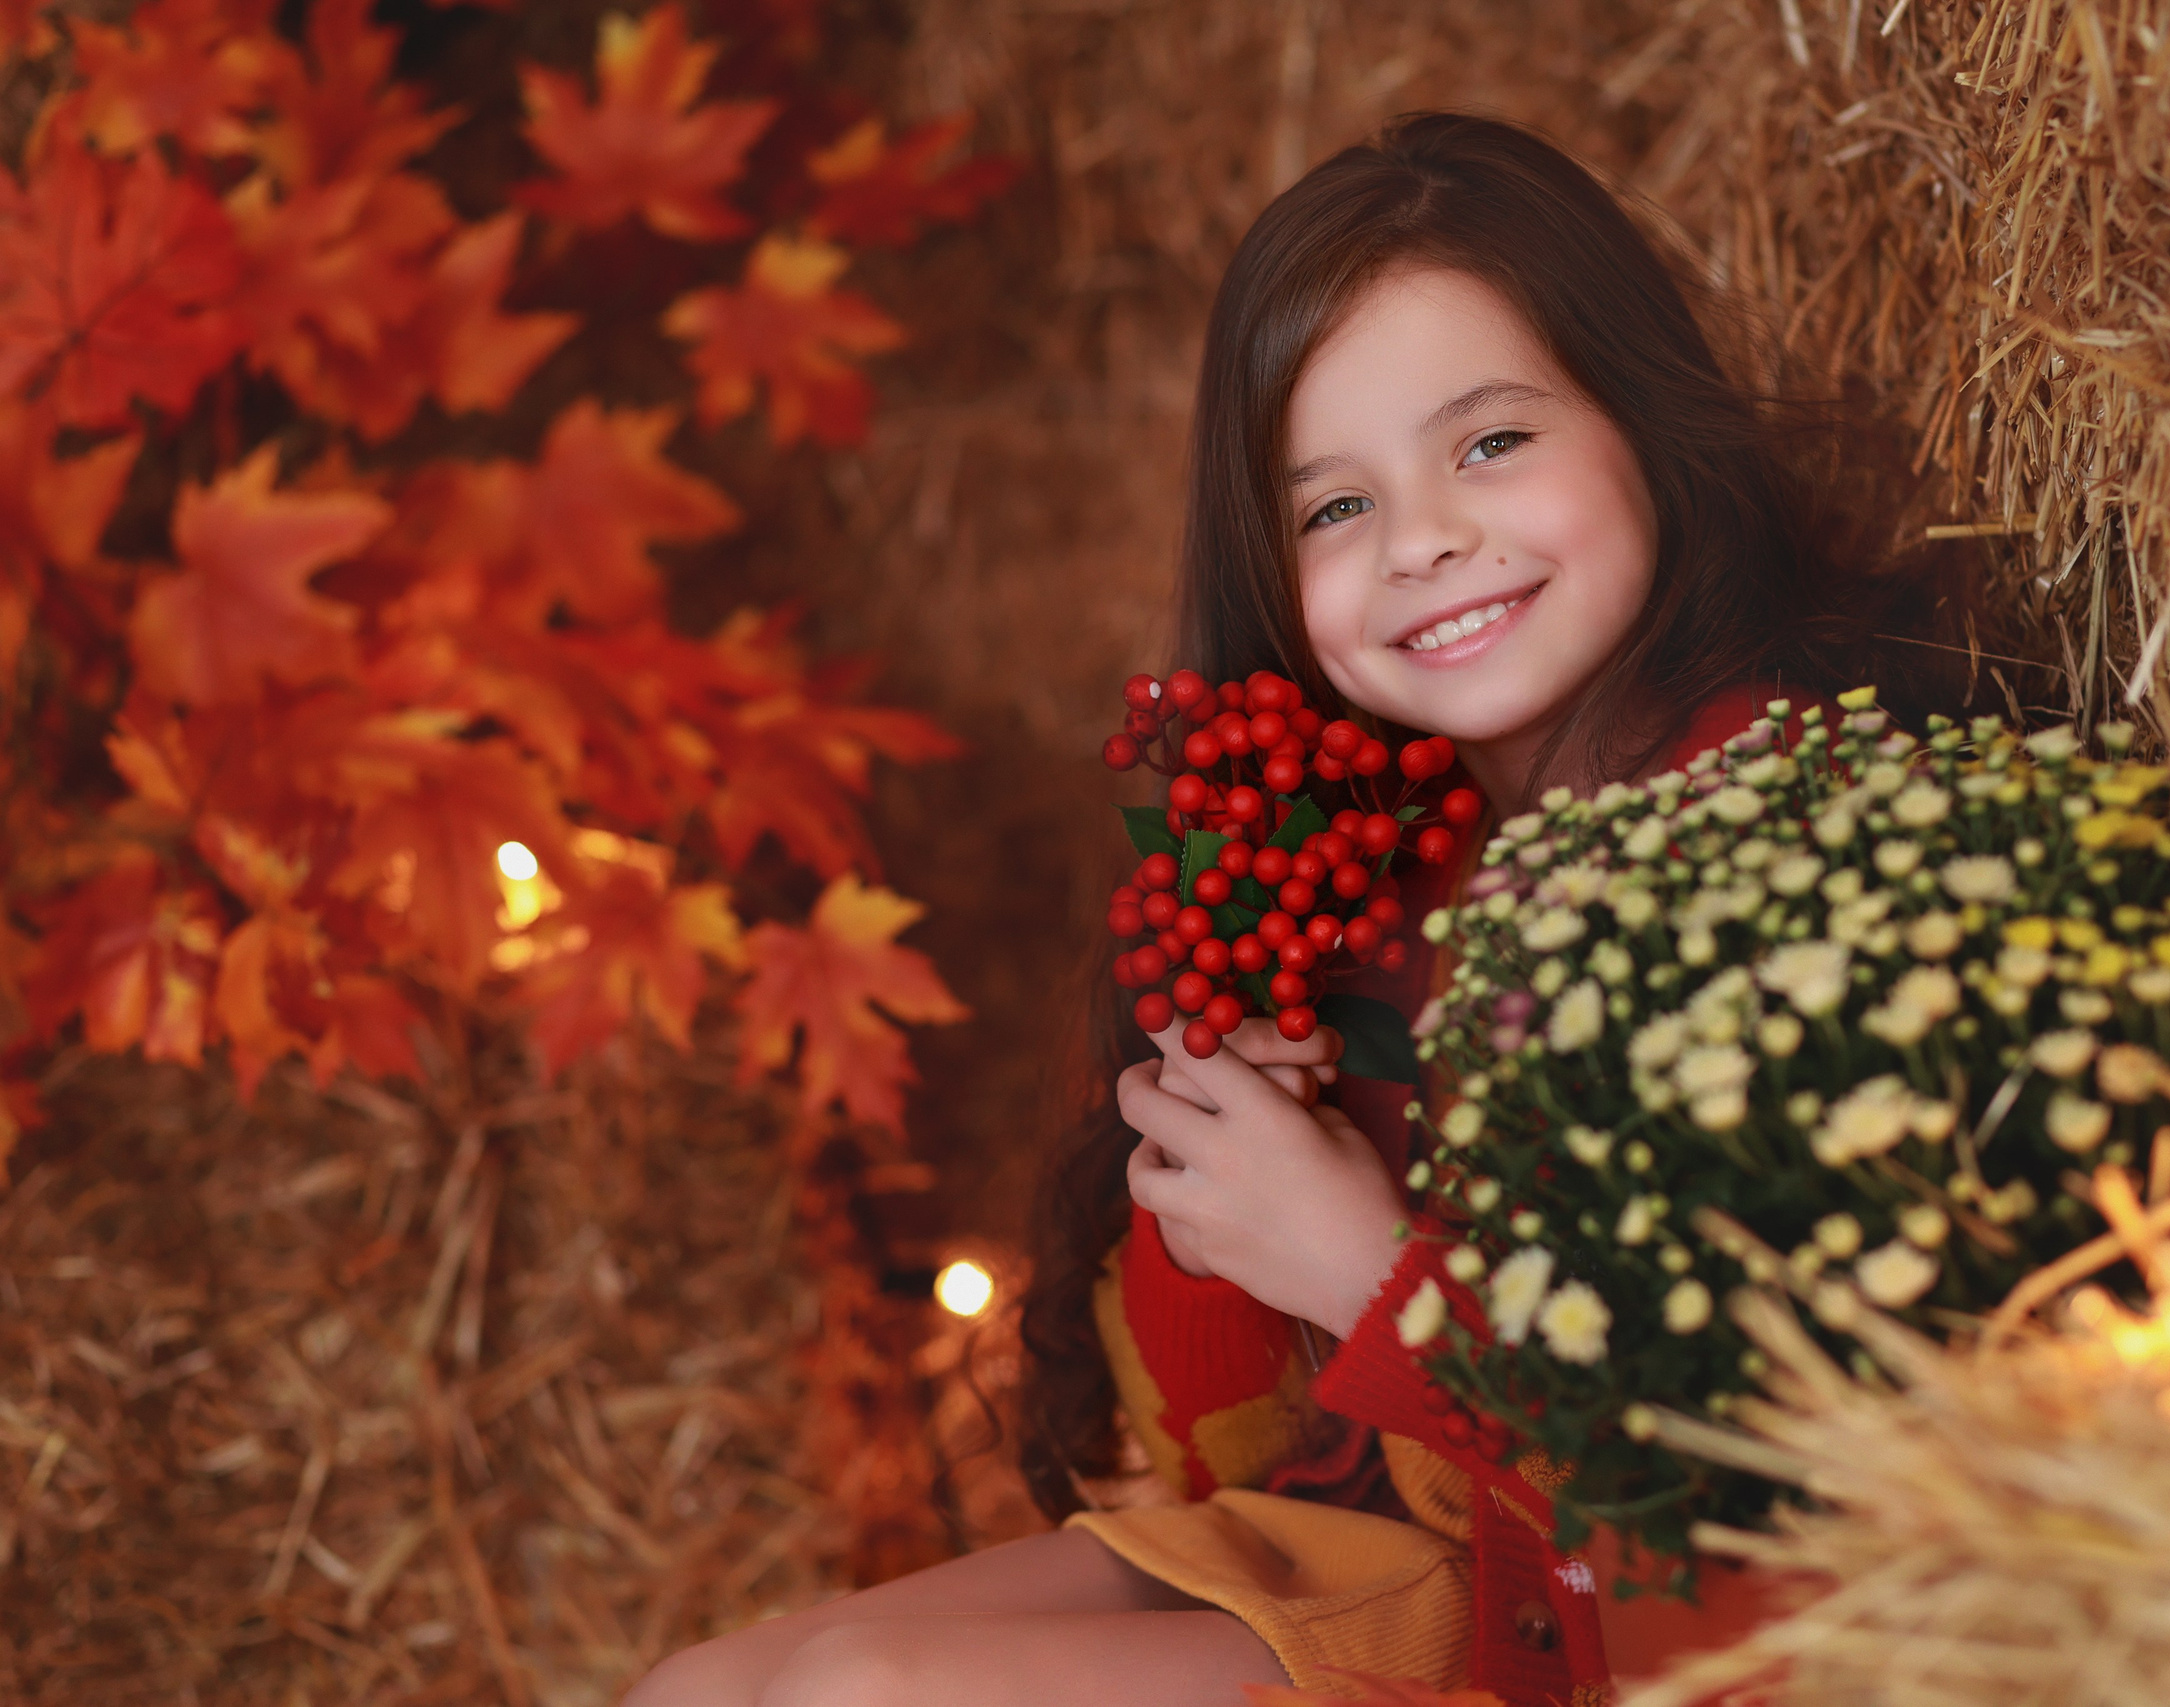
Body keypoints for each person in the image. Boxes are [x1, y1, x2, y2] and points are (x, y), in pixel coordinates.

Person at [625, 111, 1960, 1707]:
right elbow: (1228, 1447)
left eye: (1489, 443)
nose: (1423, 542)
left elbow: (1741, 1473)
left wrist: (1367, 1270)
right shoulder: (1372, 852)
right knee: (706, 1690)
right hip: (1411, 1533)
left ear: (1645, 422)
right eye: (1334, 507)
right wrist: (1216, 1131)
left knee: (864, 1699)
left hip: (1619, 1609)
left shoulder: (1772, 822)